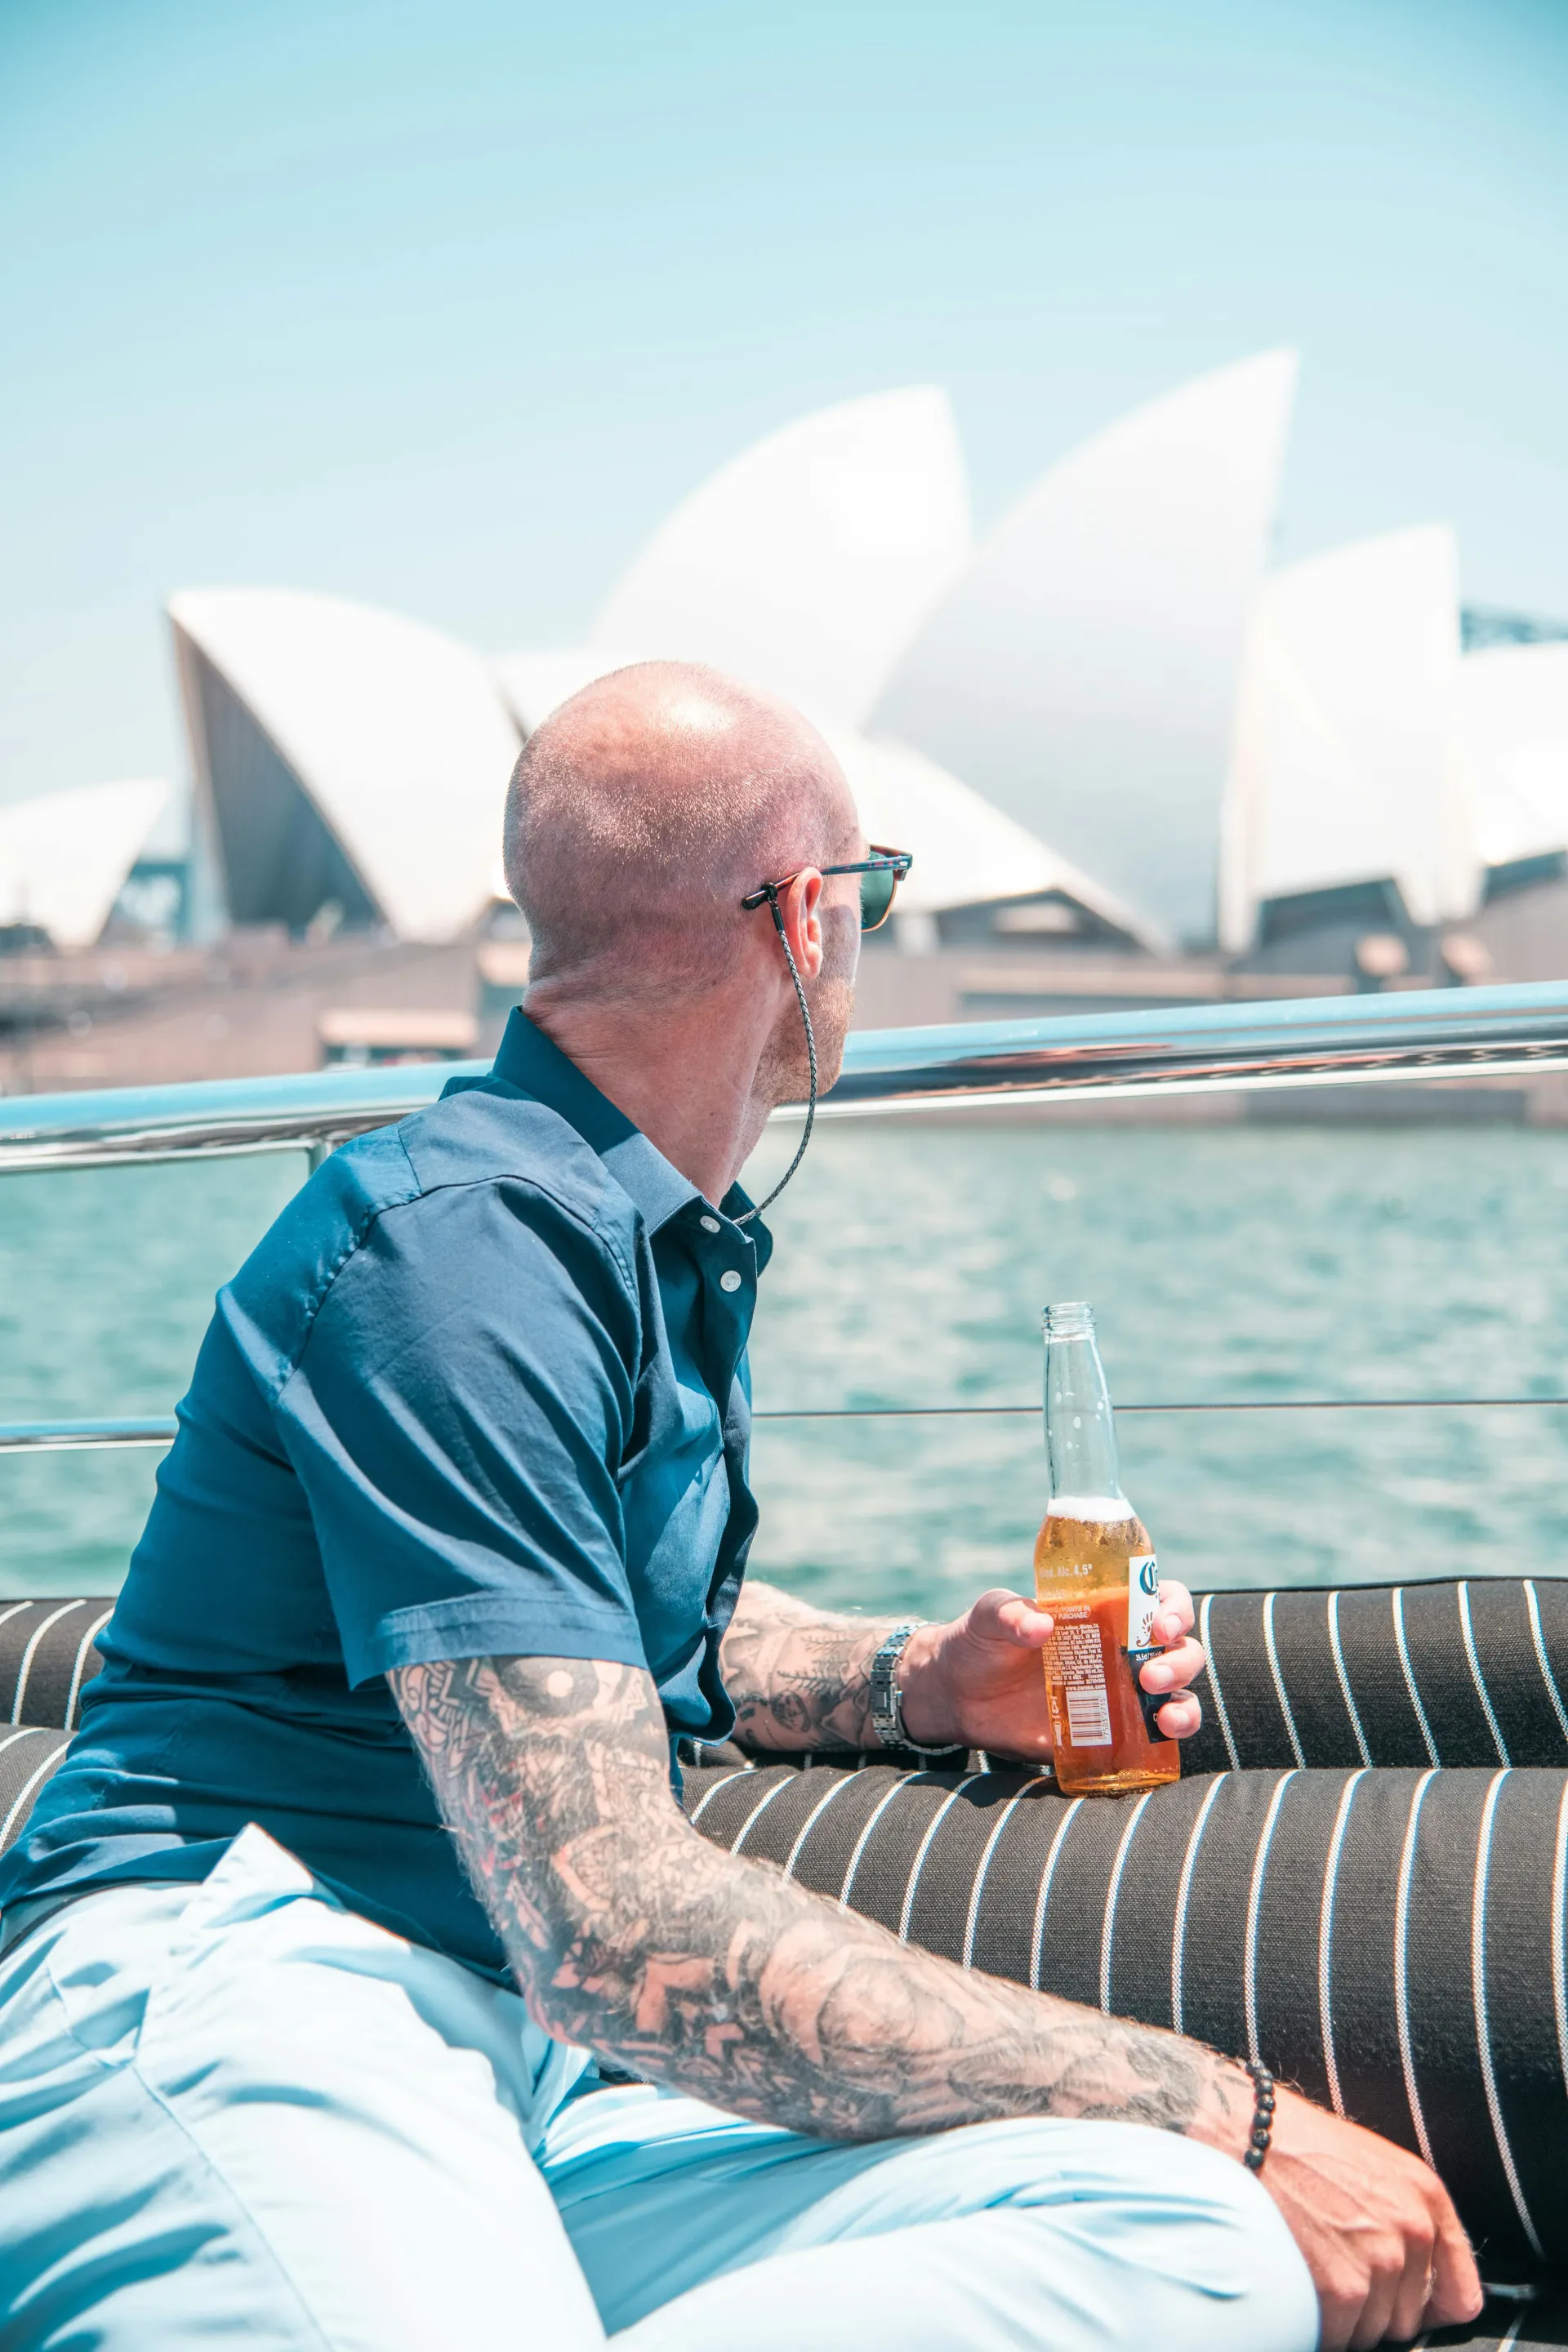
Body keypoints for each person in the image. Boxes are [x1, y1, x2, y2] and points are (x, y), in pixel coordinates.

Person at [0, 664, 1479, 2352]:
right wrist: (1233, 2107)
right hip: (248, 1987)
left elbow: (597, 1624)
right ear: (801, 917)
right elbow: (613, 1921)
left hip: (521, 2063)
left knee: (1197, 2241)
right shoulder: (462, 1253)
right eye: (868, 891)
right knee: (1219, 2172)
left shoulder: (630, 1233)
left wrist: (918, 1678)